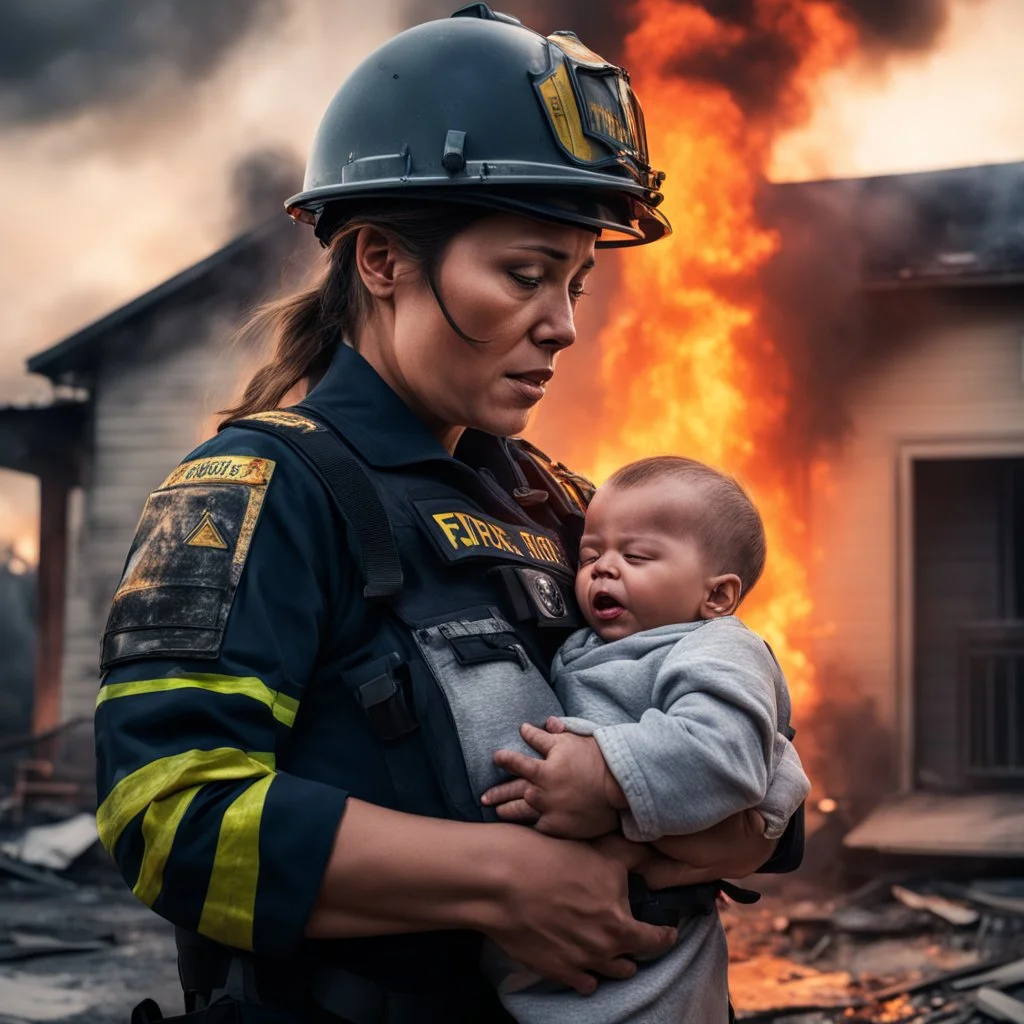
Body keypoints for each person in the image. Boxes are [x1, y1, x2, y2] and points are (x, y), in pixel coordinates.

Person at [93, 6, 804, 1023]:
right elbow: (165, 817)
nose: (561, 325)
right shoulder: (258, 493)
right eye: (524, 274)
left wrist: (751, 819)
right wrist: (505, 878)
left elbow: (733, 715)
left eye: (574, 282)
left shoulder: (565, 508)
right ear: (381, 260)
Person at [476, 456, 811, 1023]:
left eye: (635, 557)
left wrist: (605, 776)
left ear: (718, 597)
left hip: (655, 962)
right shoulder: (594, 644)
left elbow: (727, 755)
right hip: (557, 944)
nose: (603, 570)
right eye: (588, 556)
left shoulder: (718, 647)